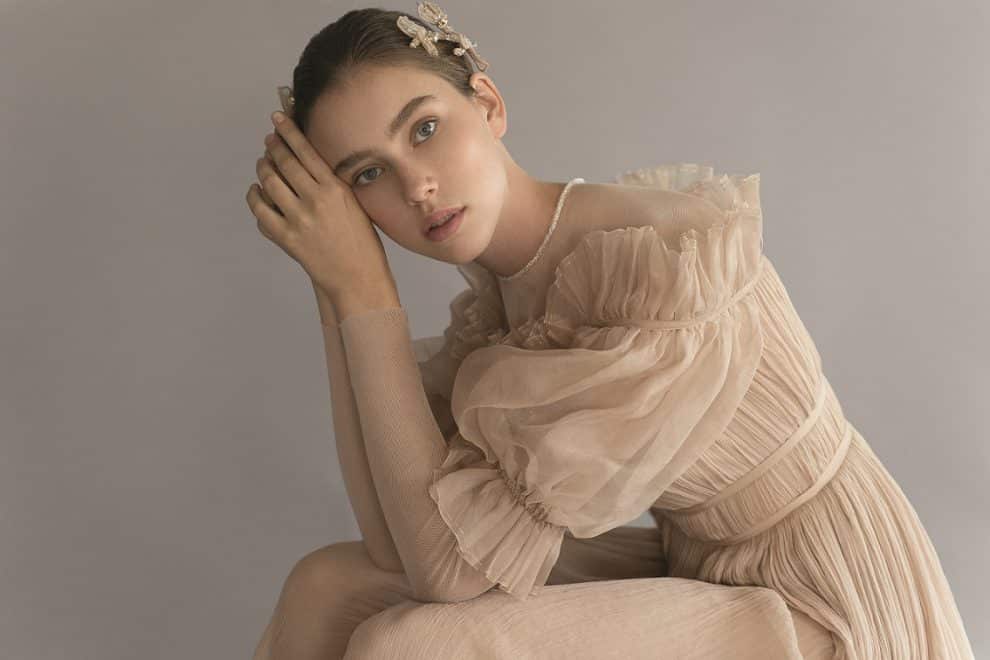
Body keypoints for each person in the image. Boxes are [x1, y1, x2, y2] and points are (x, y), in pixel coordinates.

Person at [244, 4, 975, 659]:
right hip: (704, 564)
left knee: (415, 646)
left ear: (488, 104)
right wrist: (335, 284)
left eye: (425, 130)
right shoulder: (504, 304)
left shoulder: (660, 266)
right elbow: (392, 540)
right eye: (368, 175)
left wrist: (365, 290)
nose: (416, 186)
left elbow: (447, 576)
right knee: (329, 585)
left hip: (827, 595)